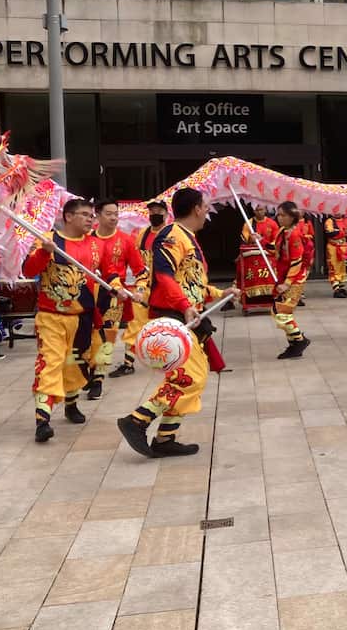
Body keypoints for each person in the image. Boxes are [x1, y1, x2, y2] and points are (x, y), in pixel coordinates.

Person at [117, 188, 239, 458]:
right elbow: (164, 276)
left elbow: (193, 283)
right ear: (197, 208)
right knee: (189, 377)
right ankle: (137, 420)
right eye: (205, 206)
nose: (207, 211)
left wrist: (221, 293)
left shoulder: (188, 238)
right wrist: (185, 307)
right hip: (171, 317)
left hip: (184, 317)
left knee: (187, 378)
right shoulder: (173, 236)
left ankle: (165, 438)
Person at [23, 198, 128, 443]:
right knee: (51, 361)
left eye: (92, 215)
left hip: (82, 317)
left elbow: (109, 271)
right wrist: (42, 253)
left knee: (75, 361)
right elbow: (28, 270)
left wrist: (116, 287)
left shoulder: (95, 244)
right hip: (51, 316)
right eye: (84, 215)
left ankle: (71, 404)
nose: (91, 219)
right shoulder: (47, 240)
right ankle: (43, 419)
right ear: (68, 217)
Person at [87, 198, 145, 399]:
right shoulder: (87, 239)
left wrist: (140, 289)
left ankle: (98, 380)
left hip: (114, 294)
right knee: (86, 337)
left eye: (116, 214)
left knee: (107, 337)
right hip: (86, 293)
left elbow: (141, 271)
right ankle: (89, 370)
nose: (113, 218)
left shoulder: (126, 240)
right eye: (109, 214)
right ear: (97, 215)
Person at [109, 200, 167, 378]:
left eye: (158, 211)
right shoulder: (142, 234)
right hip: (144, 287)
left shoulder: (172, 234)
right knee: (134, 324)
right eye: (152, 211)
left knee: (166, 324)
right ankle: (128, 362)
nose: (154, 214)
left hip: (166, 288)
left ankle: (172, 356)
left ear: (166, 213)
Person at [271, 203, 310, 359]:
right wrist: (259, 240)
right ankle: (295, 343)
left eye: (283, 215)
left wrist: (287, 283)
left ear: (292, 216)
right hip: (284, 276)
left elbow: (296, 260)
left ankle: (299, 340)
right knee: (280, 311)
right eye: (278, 214)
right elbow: (275, 249)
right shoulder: (282, 231)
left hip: (294, 279)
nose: (279, 218)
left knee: (281, 312)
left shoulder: (294, 235)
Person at [323, 214, 347, 297]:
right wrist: (344, 231)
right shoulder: (329, 221)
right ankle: (336, 288)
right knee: (334, 267)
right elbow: (330, 233)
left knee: (343, 268)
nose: (338, 212)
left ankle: (340, 287)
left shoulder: (346, 220)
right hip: (333, 248)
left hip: (344, 247)